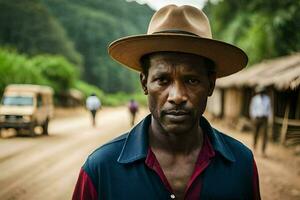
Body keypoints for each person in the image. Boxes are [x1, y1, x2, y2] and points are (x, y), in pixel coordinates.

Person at [73, 5, 261, 199]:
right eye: (163, 80)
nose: (177, 96)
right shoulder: (100, 169)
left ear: (210, 85)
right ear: (144, 83)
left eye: (192, 80)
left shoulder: (242, 165)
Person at [250, 86, 271, 155]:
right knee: (255, 133)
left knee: (265, 134)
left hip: (264, 118)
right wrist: (253, 117)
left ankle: (263, 150)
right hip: (257, 118)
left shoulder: (267, 99)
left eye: (262, 92)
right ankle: (255, 146)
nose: (261, 93)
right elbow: (252, 108)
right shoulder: (255, 99)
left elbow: (269, 109)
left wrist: (269, 117)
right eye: (260, 92)